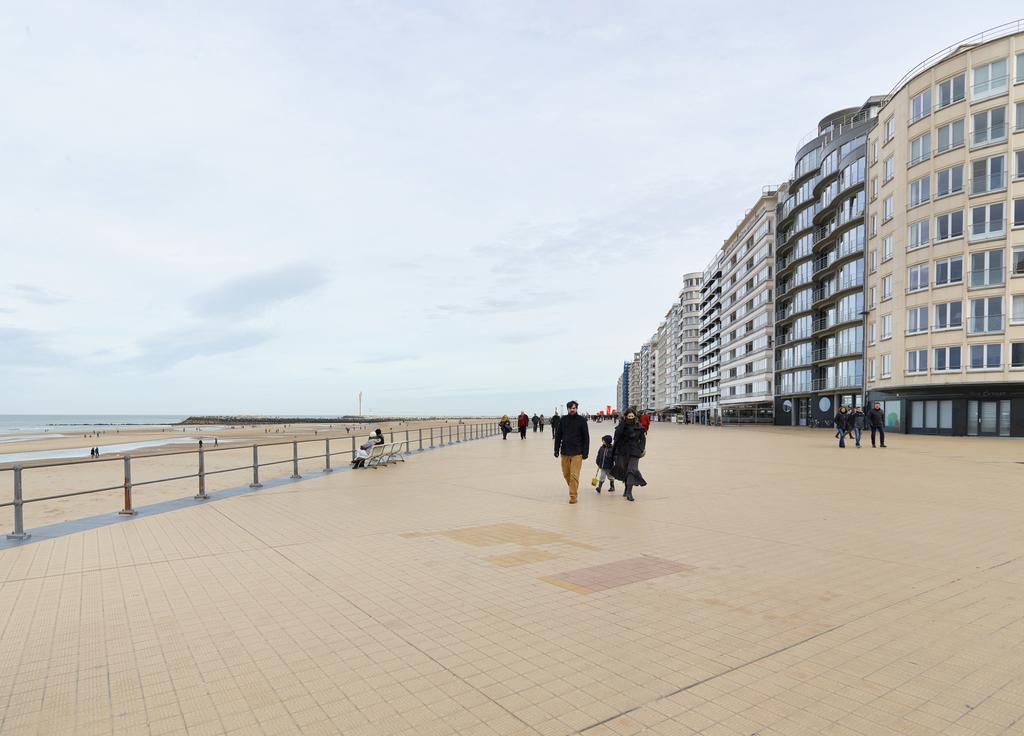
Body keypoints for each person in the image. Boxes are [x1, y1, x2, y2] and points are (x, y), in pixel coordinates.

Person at [553, 400, 589, 504]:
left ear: (576, 408)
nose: (572, 409)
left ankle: (573, 496)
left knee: (574, 475)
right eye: (570, 408)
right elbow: (558, 435)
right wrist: (556, 449)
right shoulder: (563, 419)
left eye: (574, 408)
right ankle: (574, 487)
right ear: (568, 409)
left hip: (577, 452)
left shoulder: (582, 420)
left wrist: (585, 452)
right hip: (564, 451)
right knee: (566, 474)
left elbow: (586, 437)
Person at [612, 407, 647, 501]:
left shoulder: (639, 427)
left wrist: (641, 448)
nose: (630, 418)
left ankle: (629, 492)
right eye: (629, 416)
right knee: (625, 470)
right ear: (625, 416)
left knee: (632, 470)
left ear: (635, 416)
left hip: (635, 452)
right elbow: (616, 437)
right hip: (623, 452)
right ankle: (626, 488)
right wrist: (623, 423)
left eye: (632, 416)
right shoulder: (621, 426)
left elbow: (643, 439)